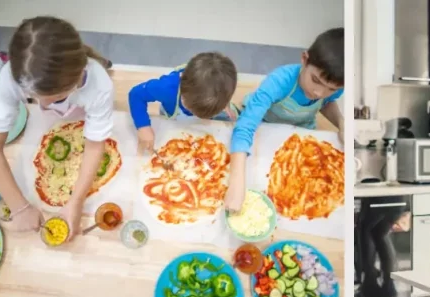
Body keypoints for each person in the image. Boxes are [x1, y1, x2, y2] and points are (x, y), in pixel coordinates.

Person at [0, 16, 113, 243]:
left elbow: (93, 146)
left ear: (80, 73)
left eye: (58, 97)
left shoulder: (99, 85)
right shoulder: (9, 78)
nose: (43, 106)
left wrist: (75, 202)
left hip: (82, 114)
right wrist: (19, 208)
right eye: (33, 98)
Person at [223, 28, 346, 212]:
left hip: (298, 133)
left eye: (331, 89)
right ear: (304, 59)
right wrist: (236, 181)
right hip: (263, 125)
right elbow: (245, 127)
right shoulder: (279, 81)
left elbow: (326, 103)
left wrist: (342, 123)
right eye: (315, 80)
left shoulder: (333, 89)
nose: (319, 92)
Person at [127, 52, 239, 154]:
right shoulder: (166, 89)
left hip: (210, 105)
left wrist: (225, 104)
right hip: (174, 114)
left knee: (233, 121)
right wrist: (143, 127)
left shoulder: (221, 84)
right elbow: (136, 94)